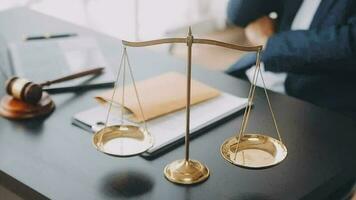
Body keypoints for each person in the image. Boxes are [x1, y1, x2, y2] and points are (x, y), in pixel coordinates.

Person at [226, 0, 356, 120]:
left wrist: (269, 43)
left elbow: (349, 45)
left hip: (317, 105)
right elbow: (239, 15)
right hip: (258, 77)